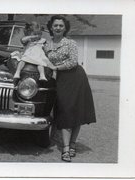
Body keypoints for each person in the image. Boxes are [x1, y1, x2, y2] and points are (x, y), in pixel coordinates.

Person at [44, 15, 96, 162]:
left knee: (76, 112)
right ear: (51, 28)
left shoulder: (70, 43)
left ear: (65, 28)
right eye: (55, 25)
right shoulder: (46, 45)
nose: (58, 28)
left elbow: (73, 62)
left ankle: (69, 146)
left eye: (61, 25)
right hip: (60, 81)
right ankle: (67, 146)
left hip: (76, 78)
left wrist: (56, 67)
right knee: (66, 111)